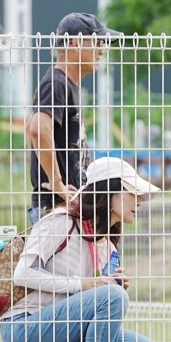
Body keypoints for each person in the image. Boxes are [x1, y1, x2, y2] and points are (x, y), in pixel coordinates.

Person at [0, 157, 157, 342]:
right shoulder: (60, 221)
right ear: (109, 192)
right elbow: (22, 274)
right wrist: (83, 285)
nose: (139, 201)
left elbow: (98, 300)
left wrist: (112, 284)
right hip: (23, 329)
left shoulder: (103, 241)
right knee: (111, 297)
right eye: (132, 192)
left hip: (56, 331)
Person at [26, 12, 123, 227]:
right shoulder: (57, 83)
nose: (101, 50)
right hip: (54, 206)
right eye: (97, 42)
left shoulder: (69, 85)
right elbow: (37, 128)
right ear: (76, 42)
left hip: (66, 204)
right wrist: (57, 183)